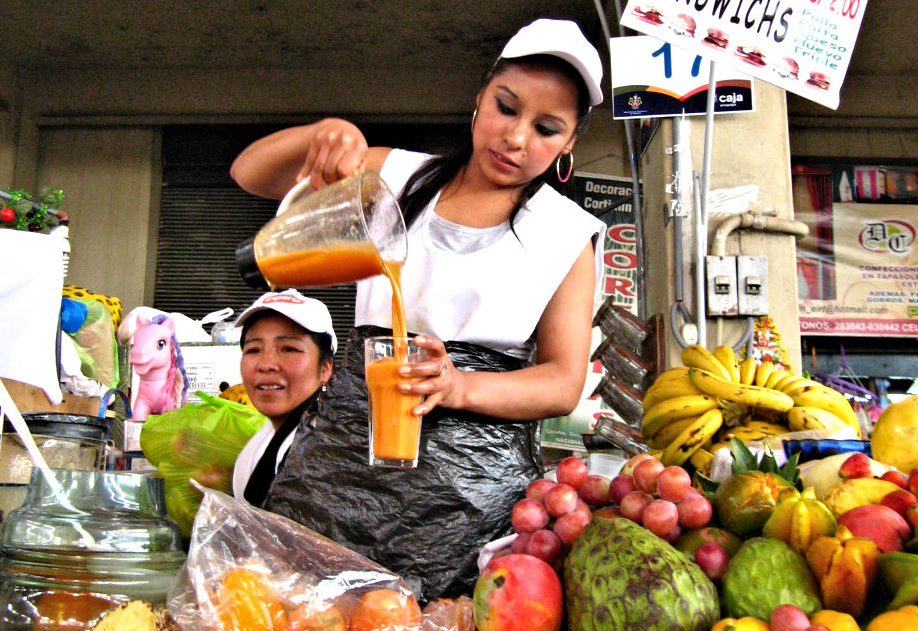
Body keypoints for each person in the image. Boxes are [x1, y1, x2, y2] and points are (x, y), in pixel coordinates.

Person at [230, 18, 606, 602]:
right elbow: (250, 174)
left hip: (470, 497)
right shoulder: (397, 176)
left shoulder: (564, 235)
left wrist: (459, 387)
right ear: (480, 97)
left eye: (547, 128)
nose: (516, 138)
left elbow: (562, 381)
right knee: (305, 606)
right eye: (506, 108)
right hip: (343, 463)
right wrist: (325, 134)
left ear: (569, 144)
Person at [231, 289, 336, 508]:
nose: (266, 363)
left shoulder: (327, 447)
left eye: (288, 349)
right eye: (253, 350)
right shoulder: (258, 447)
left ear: (326, 368)